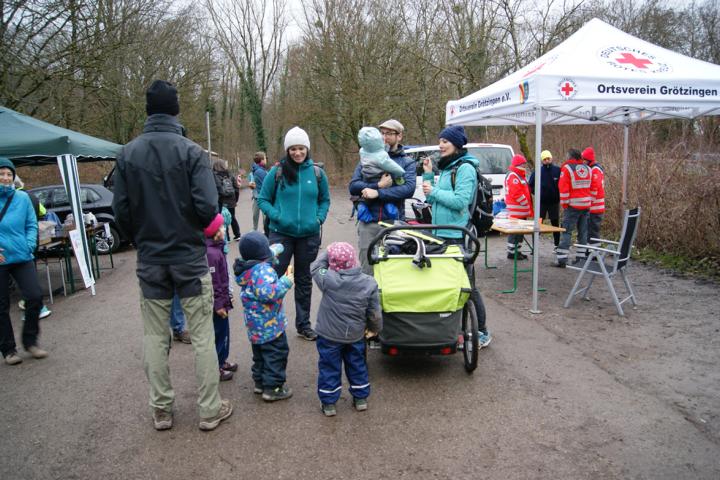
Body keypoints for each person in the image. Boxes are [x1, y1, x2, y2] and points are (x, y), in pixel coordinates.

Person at [112, 79, 232, 432]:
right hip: (189, 258)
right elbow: (208, 206)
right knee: (202, 335)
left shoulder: (127, 154)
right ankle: (209, 409)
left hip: (151, 259)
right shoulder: (192, 152)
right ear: (175, 109)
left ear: (148, 110)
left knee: (154, 336)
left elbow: (120, 211)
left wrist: (141, 239)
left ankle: (161, 409)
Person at [257, 126, 330, 341]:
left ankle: (303, 325)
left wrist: (319, 218)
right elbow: (263, 199)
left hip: (308, 236)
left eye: (301, 148)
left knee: (304, 280)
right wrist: (277, 216)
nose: (297, 153)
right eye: (293, 149)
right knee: (274, 278)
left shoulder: (317, 174)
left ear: (307, 148)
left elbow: (324, 200)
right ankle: (271, 322)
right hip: (281, 235)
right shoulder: (277, 172)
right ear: (287, 150)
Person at [421, 125, 491, 347]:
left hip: (458, 235)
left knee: (467, 286)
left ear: (457, 144)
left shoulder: (465, 168)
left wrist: (434, 191)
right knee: (447, 285)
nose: (440, 145)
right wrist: (429, 175)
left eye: (445, 141)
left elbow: (461, 201)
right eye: (440, 141)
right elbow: (431, 199)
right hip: (440, 233)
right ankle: (454, 329)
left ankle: (482, 332)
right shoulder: (448, 167)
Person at [311, 242, 381, 417]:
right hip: (355, 335)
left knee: (329, 367)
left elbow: (316, 267)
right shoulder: (368, 283)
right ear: (354, 260)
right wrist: (374, 329)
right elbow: (374, 312)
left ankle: (329, 403)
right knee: (357, 364)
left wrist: (328, 252)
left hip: (328, 335)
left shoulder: (328, 279)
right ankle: (360, 398)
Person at [349, 119, 416, 275]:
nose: (384, 137)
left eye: (389, 133)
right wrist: (377, 186)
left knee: (394, 270)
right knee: (367, 270)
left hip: (394, 223)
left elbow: (408, 189)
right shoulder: (367, 157)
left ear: (399, 136)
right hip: (368, 223)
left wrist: (378, 193)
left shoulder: (407, 162)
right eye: (382, 133)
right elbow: (353, 186)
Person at [234, 232, 294, 401]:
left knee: (260, 354)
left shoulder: (247, 267)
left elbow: (266, 253)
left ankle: (260, 382)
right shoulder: (263, 271)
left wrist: (276, 249)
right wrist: (285, 282)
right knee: (276, 354)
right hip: (270, 324)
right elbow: (269, 294)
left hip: (255, 325)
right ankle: (273, 388)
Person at [0, 157, 49, 366]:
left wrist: (29, 245)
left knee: (35, 296)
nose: (5, 177)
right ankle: (8, 350)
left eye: (9, 174)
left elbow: (31, 224)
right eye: (1, 174)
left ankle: (30, 341)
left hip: (22, 256)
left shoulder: (22, 198)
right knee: (1, 306)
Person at [204, 213, 237, 381]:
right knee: (218, 333)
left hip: (223, 299)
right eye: (222, 227)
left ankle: (222, 360)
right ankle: (216, 366)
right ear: (214, 231)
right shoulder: (211, 254)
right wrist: (219, 304)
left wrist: (228, 296)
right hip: (217, 304)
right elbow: (214, 282)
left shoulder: (218, 248)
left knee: (224, 332)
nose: (224, 229)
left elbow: (224, 278)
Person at [14, 175, 52, 320]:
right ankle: (34, 304)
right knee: (30, 270)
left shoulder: (17, 198)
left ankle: (33, 305)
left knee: (23, 275)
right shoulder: (32, 196)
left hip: (19, 240)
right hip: (33, 238)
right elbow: (43, 212)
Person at [555, 148, 592, 267]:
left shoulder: (567, 168)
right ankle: (581, 259)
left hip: (572, 206)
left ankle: (562, 259)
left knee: (566, 232)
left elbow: (563, 188)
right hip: (586, 205)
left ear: (570, 157)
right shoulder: (588, 169)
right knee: (583, 233)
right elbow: (590, 187)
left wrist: (565, 204)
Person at [528, 150, 561, 250]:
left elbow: (562, 185)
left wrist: (559, 195)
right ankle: (534, 247)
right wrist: (537, 194)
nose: (547, 160)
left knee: (555, 224)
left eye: (548, 158)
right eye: (544, 159)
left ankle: (557, 245)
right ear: (542, 160)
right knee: (537, 224)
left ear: (551, 158)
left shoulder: (558, 170)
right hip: (541, 203)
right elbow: (530, 185)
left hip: (554, 203)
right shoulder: (538, 171)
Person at [503, 154, 534, 260]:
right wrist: (526, 203)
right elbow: (516, 193)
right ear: (518, 164)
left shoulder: (518, 175)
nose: (525, 166)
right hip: (516, 211)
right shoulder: (513, 175)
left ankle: (517, 251)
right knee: (515, 233)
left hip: (520, 211)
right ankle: (512, 252)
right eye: (523, 164)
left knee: (520, 233)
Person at [212, 159, 241, 241]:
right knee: (232, 217)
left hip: (221, 201)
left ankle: (226, 237)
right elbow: (236, 188)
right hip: (231, 201)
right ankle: (237, 234)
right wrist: (236, 200)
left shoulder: (214, 176)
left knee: (223, 219)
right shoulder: (229, 174)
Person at [584, 147, 605, 251]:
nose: (583, 162)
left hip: (595, 207)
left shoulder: (595, 170)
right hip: (595, 206)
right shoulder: (594, 168)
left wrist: (588, 203)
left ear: (589, 160)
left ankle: (594, 253)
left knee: (593, 231)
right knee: (591, 230)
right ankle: (591, 251)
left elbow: (594, 188)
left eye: (584, 159)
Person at [248, 152, 268, 232]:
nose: (266, 160)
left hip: (260, 196)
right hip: (258, 196)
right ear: (261, 160)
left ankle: (264, 230)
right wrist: (251, 185)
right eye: (265, 158)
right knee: (255, 215)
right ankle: (256, 229)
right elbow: (265, 185)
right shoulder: (257, 171)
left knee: (264, 216)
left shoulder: (262, 170)